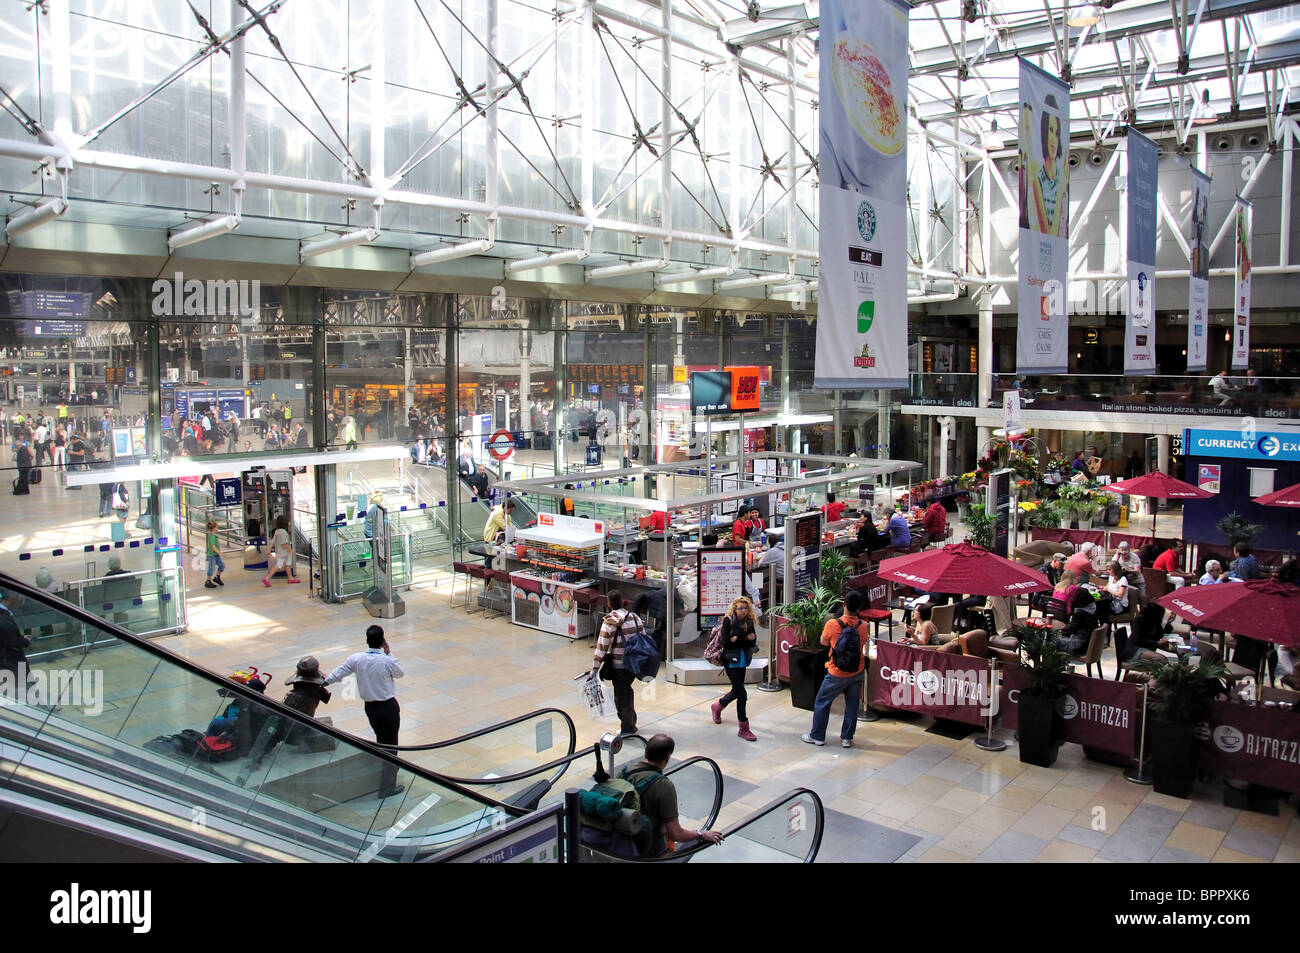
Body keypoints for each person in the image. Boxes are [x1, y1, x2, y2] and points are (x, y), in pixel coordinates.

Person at [325, 625, 405, 799]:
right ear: (383, 641)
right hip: (388, 706)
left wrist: (324, 682)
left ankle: (383, 777)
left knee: (381, 740)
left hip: (371, 708)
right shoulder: (387, 660)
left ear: (367, 640)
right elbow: (400, 673)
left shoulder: (357, 659)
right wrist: (389, 652)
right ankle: (386, 786)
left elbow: (339, 672)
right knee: (391, 746)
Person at [612, 734, 723, 856]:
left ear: (646, 752)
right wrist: (701, 834)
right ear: (667, 758)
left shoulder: (625, 772)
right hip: (649, 851)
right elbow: (676, 833)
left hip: (618, 843)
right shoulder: (663, 785)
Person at [803, 589, 868, 749]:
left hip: (835, 672)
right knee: (852, 704)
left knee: (822, 702)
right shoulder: (864, 626)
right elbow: (863, 643)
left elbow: (823, 642)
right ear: (859, 607)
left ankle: (817, 736)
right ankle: (847, 738)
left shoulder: (832, 624)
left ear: (844, 604)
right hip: (857, 671)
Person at [590, 590, 643, 736]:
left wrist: (594, 669)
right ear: (623, 602)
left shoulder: (609, 623)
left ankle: (628, 728)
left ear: (609, 604)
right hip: (633, 665)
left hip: (619, 666)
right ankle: (631, 722)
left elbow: (601, 648)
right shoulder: (635, 618)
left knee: (621, 698)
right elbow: (643, 638)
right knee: (626, 692)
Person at [709, 596, 759, 741]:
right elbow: (727, 643)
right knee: (741, 693)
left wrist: (740, 639)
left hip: (742, 659)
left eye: (745, 608)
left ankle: (718, 706)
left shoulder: (749, 622)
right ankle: (744, 728)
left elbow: (753, 640)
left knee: (737, 690)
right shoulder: (728, 620)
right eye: (740, 608)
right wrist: (744, 639)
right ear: (735, 609)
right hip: (730, 660)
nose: (743, 611)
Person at [1031, 107, 1065, 237]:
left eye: (1056, 132)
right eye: (1050, 130)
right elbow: (1049, 233)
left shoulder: (1062, 177)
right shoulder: (1038, 179)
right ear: (1044, 134)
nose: (1053, 140)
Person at [262, 514, 300, 586]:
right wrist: (291, 550)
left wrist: (268, 550)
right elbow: (284, 543)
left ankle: (290, 578)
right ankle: (267, 578)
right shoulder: (283, 532)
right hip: (285, 552)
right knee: (280, 565)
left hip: (279, 551)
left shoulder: (277, 531)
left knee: (287, 564)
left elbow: (272, 542)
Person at [482, 498, 516, 567]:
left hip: (497, 539)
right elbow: (505, 526)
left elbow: (510, 526)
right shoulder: (497, 514)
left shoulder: (506, 514)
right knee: (489, 559)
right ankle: (487, 575)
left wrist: (518, 532)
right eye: (511, 510)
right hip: (490, 538)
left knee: (495, 559)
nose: (511, 512)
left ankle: (493, 574)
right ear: (506, 508)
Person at [204, 519, 226, 589]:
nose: (217, 529)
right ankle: (208, 581)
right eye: (217, 527)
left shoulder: (214, 536)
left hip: (216, 555)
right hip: (212, 555)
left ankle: (217, 577)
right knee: (211, 568)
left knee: (221, 565)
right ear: (214, 528)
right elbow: (213, 547)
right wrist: (220, 553)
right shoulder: (211, 537)